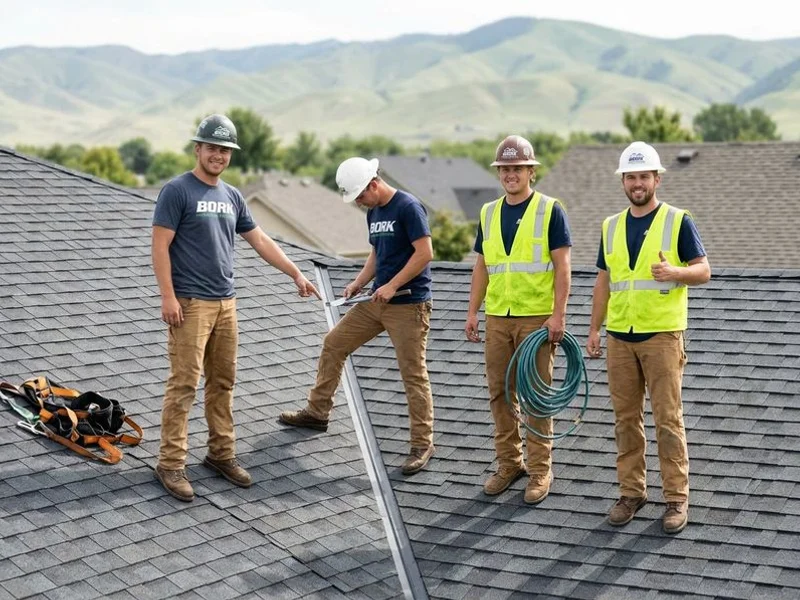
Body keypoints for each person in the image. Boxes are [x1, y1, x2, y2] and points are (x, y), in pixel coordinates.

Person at [152, 113, 320, 502]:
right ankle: (170, 463)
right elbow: (160, 246)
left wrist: (295, 273)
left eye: (225, 150)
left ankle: (220, 454)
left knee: (223, 383)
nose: (219, 156)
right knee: (183, 385)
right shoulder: (177, 191)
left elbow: (260, 240)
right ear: (198, 149)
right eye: (213, 148)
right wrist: (168, 297)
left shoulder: (232, 196)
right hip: (190, 304)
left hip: (226, 304)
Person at [279, 156, 436, 475]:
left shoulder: (408, 207)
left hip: (408, 304)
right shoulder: (375, 211)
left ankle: (422, 443)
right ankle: (317, 411)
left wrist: (391, 286)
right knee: (334, 343)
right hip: (376, 300)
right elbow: (378, 253)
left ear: (374, 184)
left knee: (413, 373)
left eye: (361, 196)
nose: (360, 203)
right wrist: (357, 283)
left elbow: (425, 253)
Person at [587, 141, 711, 534]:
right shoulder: (610, 226)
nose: (637, 183)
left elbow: (704, 270)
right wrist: (594, 328)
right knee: (626, 420)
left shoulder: (677, 220)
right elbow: (604, 281)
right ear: (623, 181)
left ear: (656, 178)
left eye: (644, 176)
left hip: (661, 336)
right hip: (620, 337)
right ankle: (631, 492)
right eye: (631, 177)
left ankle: (675, 498)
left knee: (667, 420)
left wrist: (676, 272)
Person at [464, 135, 572, 504]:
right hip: (498, 317)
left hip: (537, 320)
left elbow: (563, 266)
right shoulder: (488, 213)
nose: (511, 175)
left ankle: (540, 471)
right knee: (500, 393)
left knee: (536, 396)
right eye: (505, 169)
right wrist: (472, 310)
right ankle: (510, 464)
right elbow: (482, 264)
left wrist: (558, 316)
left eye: (517, 169)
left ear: (531, 171)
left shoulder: (550, 210)